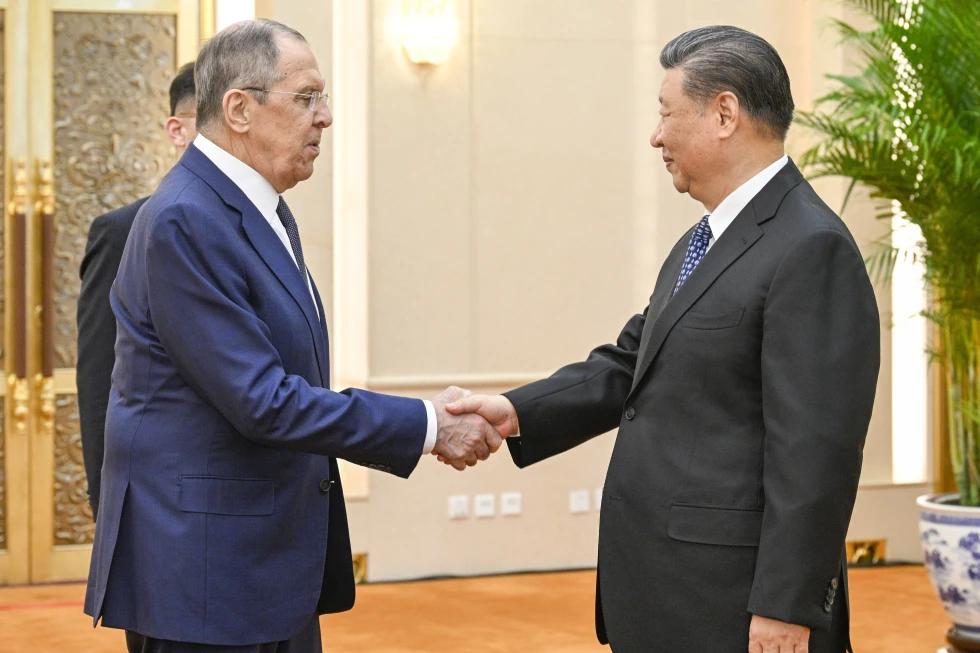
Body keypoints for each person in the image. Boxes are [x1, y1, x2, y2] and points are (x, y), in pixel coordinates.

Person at [447, 26, 879, 653]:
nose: (655, 135)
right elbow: (631, 363)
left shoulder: (811, 247)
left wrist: (787, 607)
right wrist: (516, 411)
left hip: (736, 605)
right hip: (667, 592)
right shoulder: (703, 240)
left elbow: (816, 455)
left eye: (665, 113)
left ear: (724, 113)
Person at [83, 19, 500, 652]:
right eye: (306, 98)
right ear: (240, 109)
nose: (325, 117)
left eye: (323, 98)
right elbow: (263, 400)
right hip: (203, 576)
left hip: (257, 567)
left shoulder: (257, 206)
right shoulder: (185, 220)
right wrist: (426, 423)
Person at [77, 61, 199, 521]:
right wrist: (106, 492)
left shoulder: (267, 226)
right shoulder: (123, 231)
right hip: (151, 493)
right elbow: (99, 374)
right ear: (177, 130)